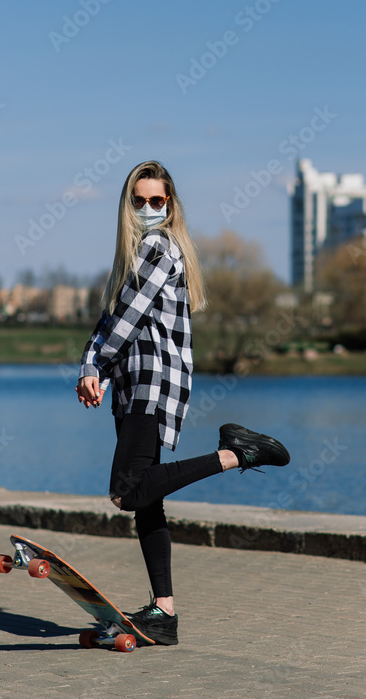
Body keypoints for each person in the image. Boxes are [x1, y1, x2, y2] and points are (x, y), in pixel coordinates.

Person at [76, 160, 289, 646]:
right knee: (148, 502)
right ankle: (163, 612)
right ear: (128, 204)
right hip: (134, 384)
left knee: (126, 493)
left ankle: (237, 452)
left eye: (159, 201)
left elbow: (125, 322)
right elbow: (111, 318)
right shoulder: (133, 255)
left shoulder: (157, 246)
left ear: (170, 205)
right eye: (141, 201)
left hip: (150, 381)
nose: (150, 209)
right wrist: (93, 368)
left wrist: (96, 368)